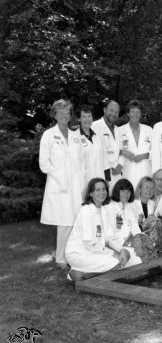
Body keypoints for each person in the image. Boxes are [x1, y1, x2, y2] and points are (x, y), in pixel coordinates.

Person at [39, 99, 85, 268]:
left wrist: (83, 183)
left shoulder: (76, 135)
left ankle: (73, 254)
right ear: (55, 115)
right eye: (61, 112)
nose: (65, 115)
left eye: (67, 112)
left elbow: (81, 162)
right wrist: (60, 177)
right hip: (59, 185)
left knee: (76, 221)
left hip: (76, 186)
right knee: (64, 222)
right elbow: (44, 164)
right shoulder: (48, 135)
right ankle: (60, 258)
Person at [65, 178, 133, 281]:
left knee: (125, 258)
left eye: (104, 189)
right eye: (97, 190)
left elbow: (110, 238)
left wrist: (121, 250)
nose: (102, 192)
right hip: (79, 253)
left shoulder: (104, 211)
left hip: (94, 251)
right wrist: (111, 253)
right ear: (91, 193)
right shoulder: (86, 211)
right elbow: (89, 243)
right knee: (116, 264)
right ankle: (78, 273)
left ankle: (81, 273)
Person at [105, 178, 144, 267]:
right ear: (117, 192)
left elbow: (135, 226)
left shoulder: (127, 207)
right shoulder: (110, 207)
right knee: (138, 261)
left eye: (128, 192)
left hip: (129, 242)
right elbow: (109, 237)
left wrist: (138, 240)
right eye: (123, 191)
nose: (126, 194)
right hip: (117, 246)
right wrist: (121, 248)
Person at [132, 176, 162, 260]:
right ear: (140, 188)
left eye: (151, 188)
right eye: (146, 187)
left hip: (149, 235)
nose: (149, 190)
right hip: (136, 236)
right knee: (156, 223)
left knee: (158, 221)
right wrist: (147, 222)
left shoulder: (151, 203)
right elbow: (134, 227)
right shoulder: (133, 204)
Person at [118, 101, 152, 189]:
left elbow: (155, 150)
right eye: (132, 112)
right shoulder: (119, 130)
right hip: (128, 171)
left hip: (146, 170)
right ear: (128, 114)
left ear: (141, 114)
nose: (135, 114)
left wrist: (144, 156)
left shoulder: (149, 130)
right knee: (129, 197)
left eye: (138, 112)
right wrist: (123, 152)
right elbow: (115, 150)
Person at [91, 99, 122, 191]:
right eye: (111, 110)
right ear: (105, 110)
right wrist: (110, 169)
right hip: (102, 174)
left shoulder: (118, 130)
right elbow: (96, 153)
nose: (114, 114)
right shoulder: (94, 127)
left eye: (116, 112)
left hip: (117, 174)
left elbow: (122, 150)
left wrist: (120, 165)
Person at [76, 105, 104, 192]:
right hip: (83, 183)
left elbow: (102, 160)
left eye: (89, 116)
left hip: (99, 181)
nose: (87, 119)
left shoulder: (97, 136)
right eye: (84, 117)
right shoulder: (75, 137)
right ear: (79, 119)